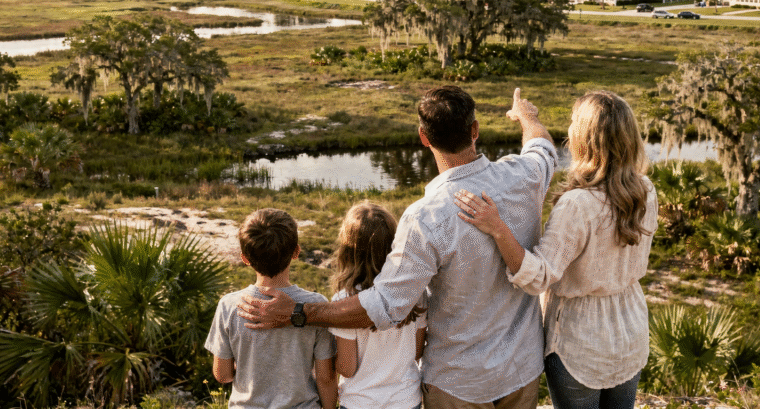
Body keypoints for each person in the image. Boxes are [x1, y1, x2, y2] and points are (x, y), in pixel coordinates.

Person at [239, 85, 557, 409]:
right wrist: (525, 116)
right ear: (475, 130)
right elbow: (541, 145)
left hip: (458, 382)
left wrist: (299, 312)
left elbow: (386, 306)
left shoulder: (426, 216)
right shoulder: (526, 174)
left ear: (424, 137)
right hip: (522, 370)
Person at [454, 91, 658, 409]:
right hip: (630, 334)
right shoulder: (645, 190)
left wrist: (497, 228)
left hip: (580, 344)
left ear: (584, 138)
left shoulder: (578, 204)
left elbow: (538, 278)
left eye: (574, 123)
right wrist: (528, 118)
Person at [205, 208, 337, 409]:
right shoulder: (316, 305)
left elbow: (222, 375)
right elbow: (325, 378)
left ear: (245, 258)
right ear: (296, 252)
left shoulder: (229, 305)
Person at [330, 201, 427, 409]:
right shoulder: (415, 294)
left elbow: (347, 368)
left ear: (348, 251)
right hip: (405, 400)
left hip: (360, 402)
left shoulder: (344, 301)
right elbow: (417, 352)